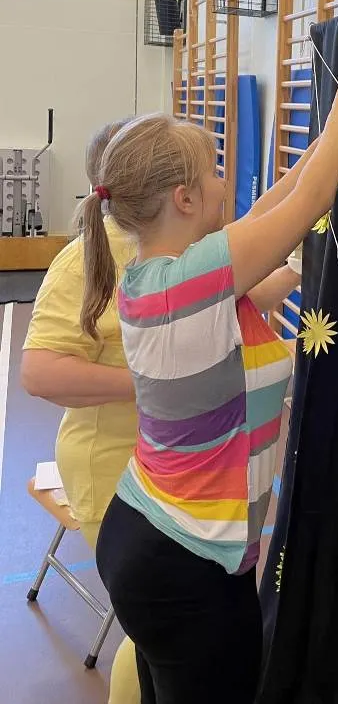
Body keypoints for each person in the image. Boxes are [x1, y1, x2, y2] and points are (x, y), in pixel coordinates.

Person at [87, 82, 338, 703]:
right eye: (215, 173)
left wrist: (327, 142)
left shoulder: (165, 277)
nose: (225, 184)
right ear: (185, 199)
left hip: (157, 539)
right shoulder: (191, 278)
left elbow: (268, 211)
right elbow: (307, 201)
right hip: (185, 562)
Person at [22, 118, 141, 704]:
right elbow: (40, 372)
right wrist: (150, 384)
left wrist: (298, 260)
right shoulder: (86, 259)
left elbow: (241, 288)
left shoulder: (183, 246)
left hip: (168, 463)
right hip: (112, 467)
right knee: (155, 628)